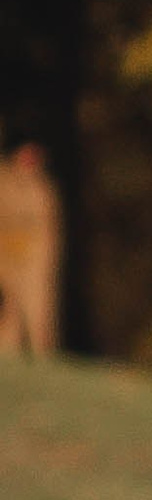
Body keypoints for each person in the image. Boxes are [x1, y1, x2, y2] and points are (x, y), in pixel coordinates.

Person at [0, 139, 63, 356]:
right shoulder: (5, 183)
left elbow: (47, 236)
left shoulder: (42, 192)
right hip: (7, 261)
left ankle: (42, 360)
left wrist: (42, 265)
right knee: (10, 315)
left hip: (32, 264)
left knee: (37, 316)